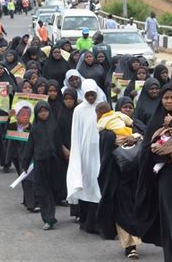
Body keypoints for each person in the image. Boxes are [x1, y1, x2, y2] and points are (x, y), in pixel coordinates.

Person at [136, 84, 172, 262]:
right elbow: (146, 152)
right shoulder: (155, 120)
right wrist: (167, 157)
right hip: (166, 177)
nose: (169, 101)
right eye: (165, 98)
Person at [97, 97, 144, 260]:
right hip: (117, 176)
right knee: (123, 209)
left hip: (137, 176)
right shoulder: (107, 129)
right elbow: (105, 151)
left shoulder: (136, 124)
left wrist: (136, 137)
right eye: (124, 107)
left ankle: (136, 238)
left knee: (136, 207)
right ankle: (130, 246)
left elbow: (148, 140)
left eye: (131, 107)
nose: (128, 110)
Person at [67, 79, 102, 234]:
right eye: (87, 95)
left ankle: (98, 223)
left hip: (100, 153)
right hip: (85, 154)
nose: (90, 98)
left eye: (92, 94)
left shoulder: (103, 108)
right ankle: (85, 221)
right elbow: (75, 133)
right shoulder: (79, 110)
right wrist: (76, 154)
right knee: (86, 185)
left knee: (97, 187)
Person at [22, 101, 62, 230]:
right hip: (40, 162)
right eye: (40, 111)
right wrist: (25, 163)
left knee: (53, 189)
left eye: (45, 111)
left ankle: (51, 214)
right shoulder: (35, 128)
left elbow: (58, 142)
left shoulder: (54, 125)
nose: (43, 113)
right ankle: (48, 218)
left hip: (53, 162)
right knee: (43, 191)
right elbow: (30, 146)